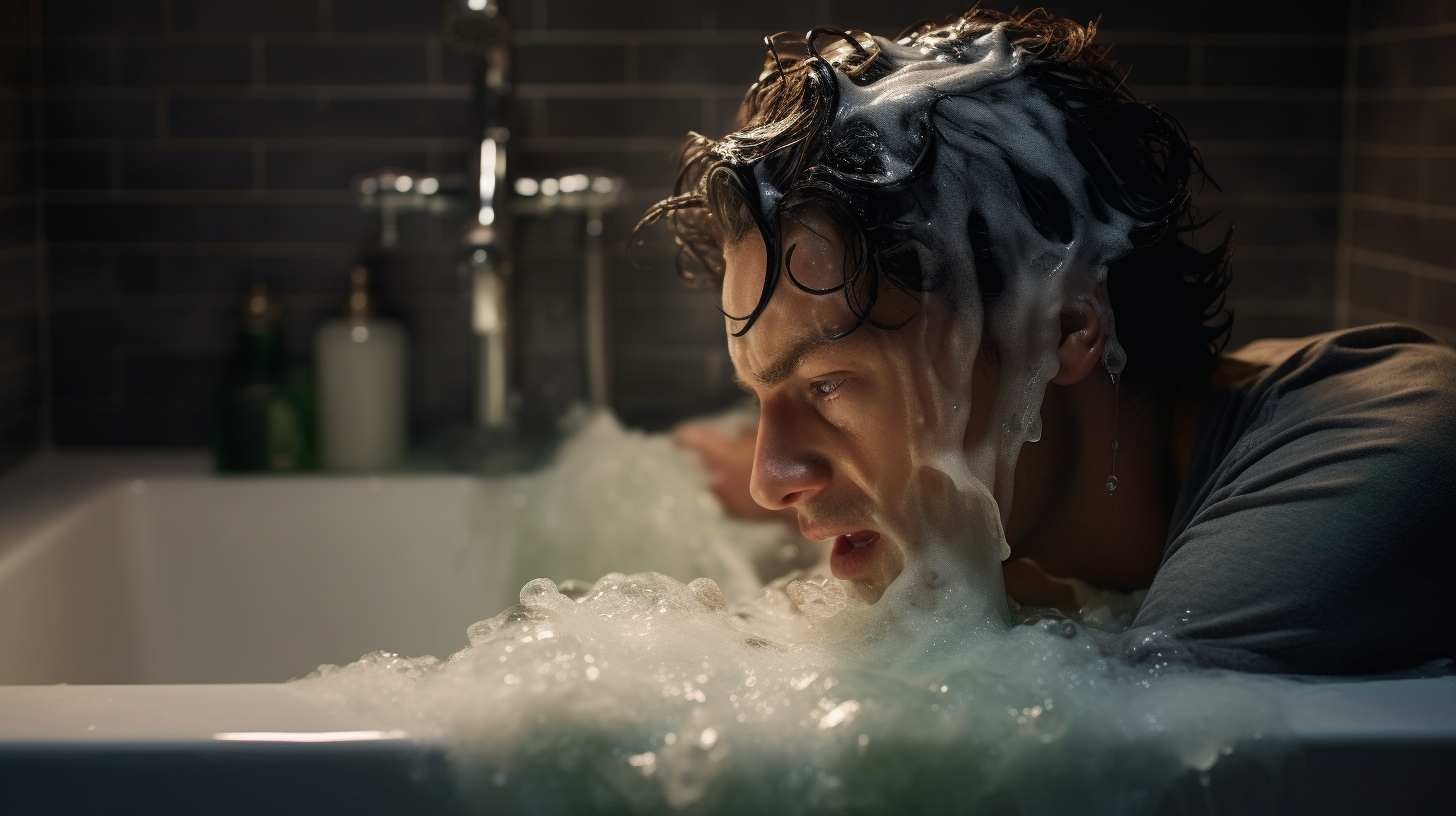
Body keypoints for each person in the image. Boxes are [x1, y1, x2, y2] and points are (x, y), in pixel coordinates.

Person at [642, 8, 1456, 674]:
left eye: (825, 384)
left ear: (1066, 324)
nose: (767, 481)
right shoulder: (1023, 535)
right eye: (767, 398)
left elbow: (1122, 753)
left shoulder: (1383, 446)